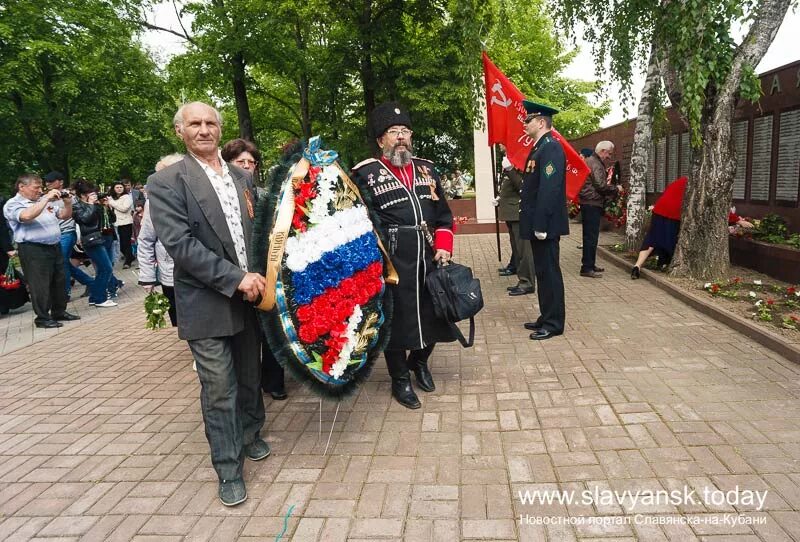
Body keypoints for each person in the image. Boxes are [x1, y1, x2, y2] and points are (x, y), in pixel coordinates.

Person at [147, 101, 268, 507]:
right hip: (206, 300)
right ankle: (229, 468)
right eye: (194, 123)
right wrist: (236, 278)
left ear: (220, 128)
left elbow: (260, 231)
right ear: (179, 130)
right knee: (219, 387)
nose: (204, 129)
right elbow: (180, 246)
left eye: (211, 122)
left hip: (251, 297)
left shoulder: (241, 176)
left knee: (251, 376)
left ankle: (251, 434)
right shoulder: (166, 181)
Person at [351, 101, 455, 409]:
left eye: (405, 131)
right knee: (395, 321)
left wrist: (444, 245)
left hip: (430, 254)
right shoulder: (365, 174)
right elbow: (357, 222)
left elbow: (444, 216)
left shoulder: (428, 169)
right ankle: (399, 378)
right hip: (391, 259)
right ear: (381, 139)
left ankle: (420, 362)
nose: (400, 137)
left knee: (437, 311)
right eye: (393, 132)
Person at [221, 138, 287, 400]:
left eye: (251, 162)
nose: (247, 166)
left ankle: (274, 380)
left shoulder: (263, 195)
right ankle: (247, 383)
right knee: (243, 335)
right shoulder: (222, 196)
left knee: (271, 327)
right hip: (233, 275)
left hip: (265, 271)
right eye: (241, 162)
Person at [631, 176, 753, 278]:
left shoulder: (683, 179)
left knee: (652, 238)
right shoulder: (702, 186)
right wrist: (737, 220)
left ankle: (637, 266)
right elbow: (716, 208)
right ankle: (668, 264)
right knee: (673, 240)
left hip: (659, 210)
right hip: (675, 214)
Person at [3, 173, 81, 328]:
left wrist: (67, 203)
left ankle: (59, 311)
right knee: (40, 284)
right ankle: (43, 317)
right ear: (22, 186)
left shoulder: (42, 201)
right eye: (36, 187)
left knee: (59, 280)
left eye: (41, 187)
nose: (40, 190)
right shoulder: (13, 204)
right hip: (33, 248)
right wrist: (45, 199)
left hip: (54, 245)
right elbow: (26, 216)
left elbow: (65, 216)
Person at [519, 101, 568, 341]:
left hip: (545, 225)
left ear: (541, 122)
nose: (524, 124)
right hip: (538, 222)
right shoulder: (540, 147)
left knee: (549, 272)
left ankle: (554, 323)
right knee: (542, 271)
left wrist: (540, 224)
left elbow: (549, 189)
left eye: (528, 120)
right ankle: (546, 315)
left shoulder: (551, 148)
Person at [138, 154, 183, 326]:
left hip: (200, 272)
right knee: (181, 321)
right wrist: (148, 277)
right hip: (170, 273)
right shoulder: (153, 203)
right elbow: (146, 240)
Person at [43, 171, 94, 300]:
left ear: (60, 182)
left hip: (67, 233)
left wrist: (79, 235)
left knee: (62, 262)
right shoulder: (45, 197)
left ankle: (65, 292)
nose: (48, 183)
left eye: (51, 181)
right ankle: (91, 282)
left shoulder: (70, 196)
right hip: (53, 235)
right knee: (63, 263)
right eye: (47, 181)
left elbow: (79, 214)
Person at [71, 180, 118, 308]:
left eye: (94, 193)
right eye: (90, 193)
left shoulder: (96, 205)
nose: (94, 195)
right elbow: (85, 219)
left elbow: (111, 219)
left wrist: (105, 206)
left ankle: (94, 297)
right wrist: (91, 204)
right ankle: (100, 298)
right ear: (82, 195)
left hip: (102, 237)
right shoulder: (76, 206)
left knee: (105, 268)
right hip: (91, 240)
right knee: (105, 268)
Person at [579, 141, 620, 278]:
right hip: (592, 202)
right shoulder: (595, 163)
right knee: (591, 236)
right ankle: (587, 267)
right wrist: (616, 189)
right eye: (608, 153)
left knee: (590, 236)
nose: (609, 157)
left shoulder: (591, 161)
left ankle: (589, 264)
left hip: (589, 202)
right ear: (602, 151)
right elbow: (601, 185)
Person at [497, 155, 535, 296]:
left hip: (518, 212)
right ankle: (522, 279)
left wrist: (511, 169)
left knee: (524, 250)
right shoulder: (510, 159)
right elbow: (509, 188)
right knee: (517, 250)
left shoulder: (519, 161)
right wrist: (500, 199)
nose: (500, 145)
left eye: (503, 144)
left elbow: (522, 185)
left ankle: (528, 282)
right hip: (510, 212)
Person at [107, 181, 135, 268]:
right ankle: (130, 257)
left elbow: (124, 208)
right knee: (121, 244)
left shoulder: (127, 197)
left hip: (126, 223)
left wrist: (111, 203)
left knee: (125, 243)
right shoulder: (113, 198)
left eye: (120, 187)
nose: (119, 189)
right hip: (116, 223)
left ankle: (128, 261)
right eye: (117, 187)